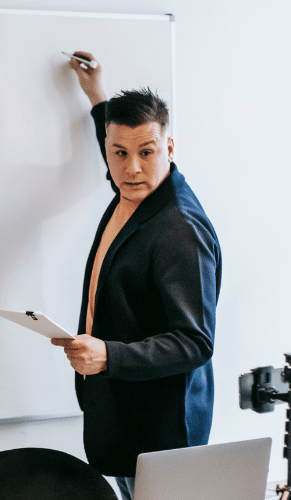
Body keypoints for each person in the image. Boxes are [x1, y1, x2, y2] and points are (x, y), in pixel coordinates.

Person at [51, 52, 221, 500]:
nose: (131, 168)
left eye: (146, 152)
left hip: (160, 431)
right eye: (118, 153)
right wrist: (97, 99)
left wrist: (108, 355)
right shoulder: (134, 187)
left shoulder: (181, 230)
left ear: (168, 148)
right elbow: (120, 144)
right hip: (125, 414)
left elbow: (195, 341)